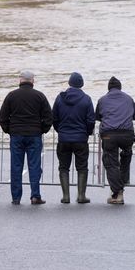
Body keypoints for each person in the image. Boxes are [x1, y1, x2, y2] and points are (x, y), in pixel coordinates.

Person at [0, 71, 53, 205]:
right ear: (32, 81)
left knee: (16, 166)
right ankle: (35, 195)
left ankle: (16, 197)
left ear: (20, 80)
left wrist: (9, 130)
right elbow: (48, 117)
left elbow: (3, 117)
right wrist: (42, 130)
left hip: (16, 135)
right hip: (34, 135)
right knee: (34, 166)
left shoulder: (11, 95)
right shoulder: (39, 96)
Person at [52, 72, 95, 204]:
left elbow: (54, 118)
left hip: (64, 139)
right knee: (82, 167)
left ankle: (66, 196)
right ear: (81, 84)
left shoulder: (60, 98)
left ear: (69, 83)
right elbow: (91, 120)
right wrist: (86, 133)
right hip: (81, 139)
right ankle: (81, 195)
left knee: (63, 167)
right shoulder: (86, 99)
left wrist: (61, 131)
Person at [96, 76, 135, 205]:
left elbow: (97, 116)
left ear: (108, 88)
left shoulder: (102, 100)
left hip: (109, 135)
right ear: (120, 87)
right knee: (126, 157)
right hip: (127, 134)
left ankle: (117, 193)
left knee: (111, 163)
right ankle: (123, 182)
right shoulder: (128, 98)